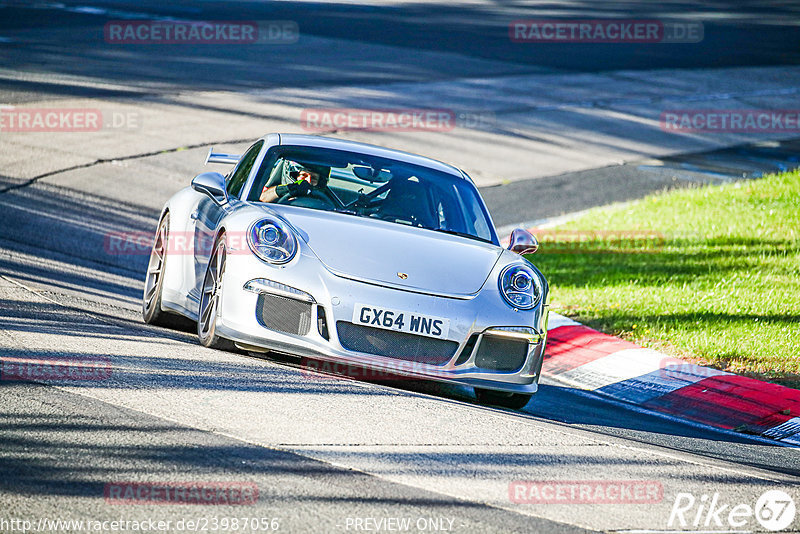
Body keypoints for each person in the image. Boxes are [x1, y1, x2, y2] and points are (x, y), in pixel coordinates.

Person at [259, 161, 330, 203]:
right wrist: (289, 189)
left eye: (314, 178)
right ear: (294, 175)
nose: (309, 181)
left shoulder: (324, 199)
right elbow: (263, 199)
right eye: (303, 175)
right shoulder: (282, 191)